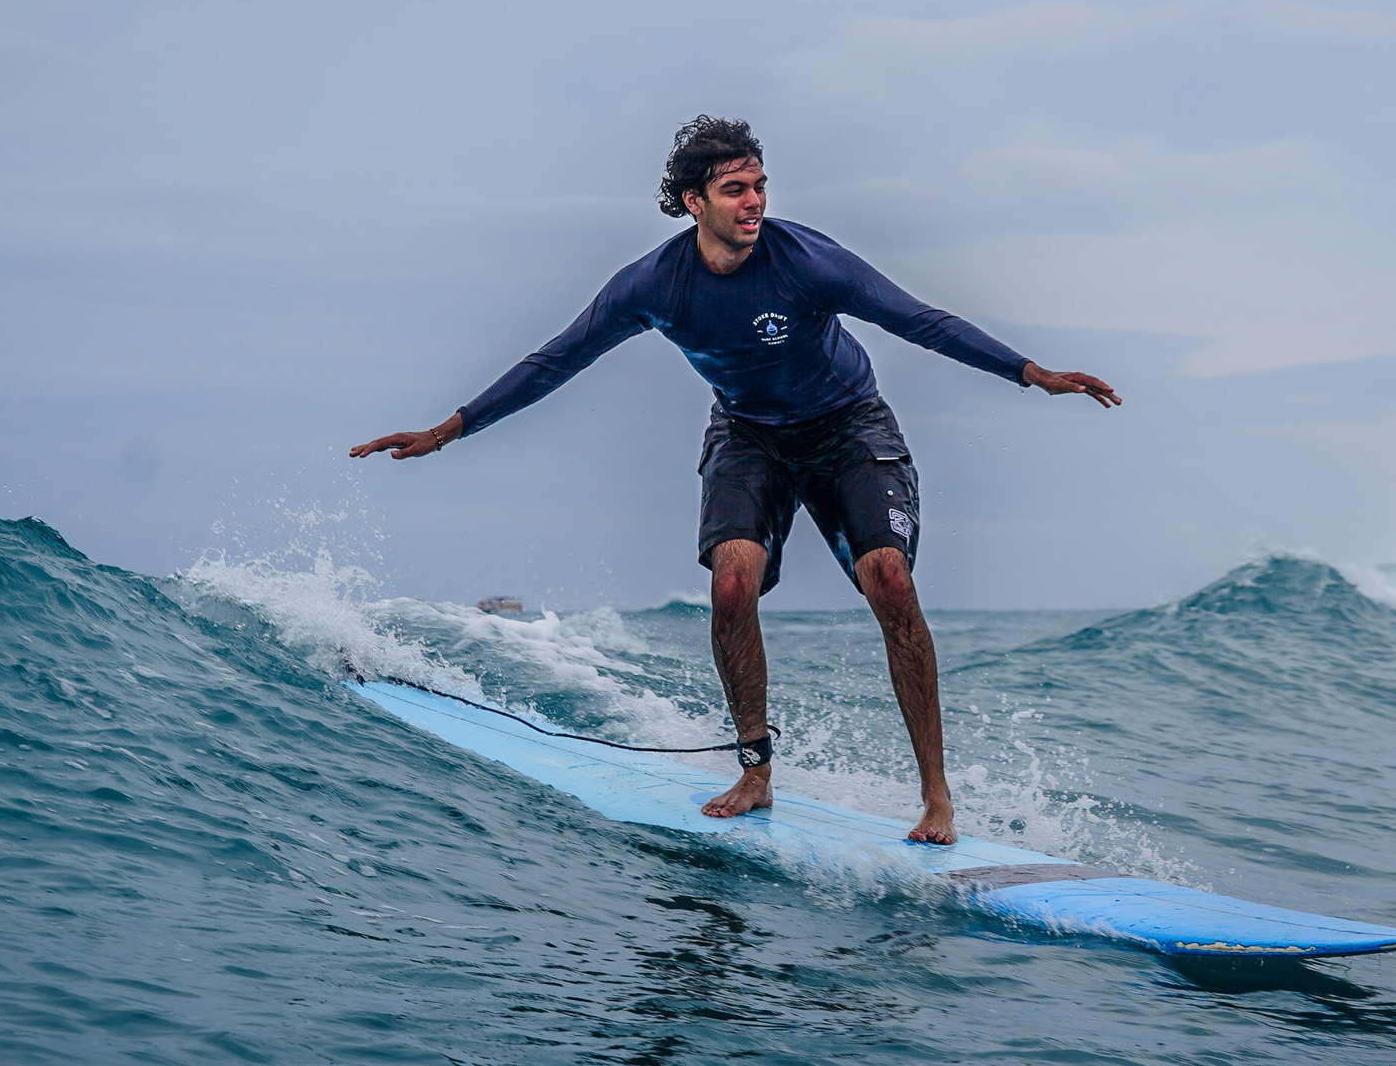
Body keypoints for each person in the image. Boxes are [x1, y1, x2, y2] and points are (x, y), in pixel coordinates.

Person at [350, 116, 1119, 845]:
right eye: (734, 190)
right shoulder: (653, 285)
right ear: (694, 203)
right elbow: (557, 359)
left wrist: (1029, 373)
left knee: (889, 579)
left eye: (759, 186)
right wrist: (450, 429)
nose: (754, 202)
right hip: (749, 432)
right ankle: (755, 772)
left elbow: (918, 319)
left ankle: (936, 794)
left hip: (849, 425)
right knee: (730, 584)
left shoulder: (809, 261)